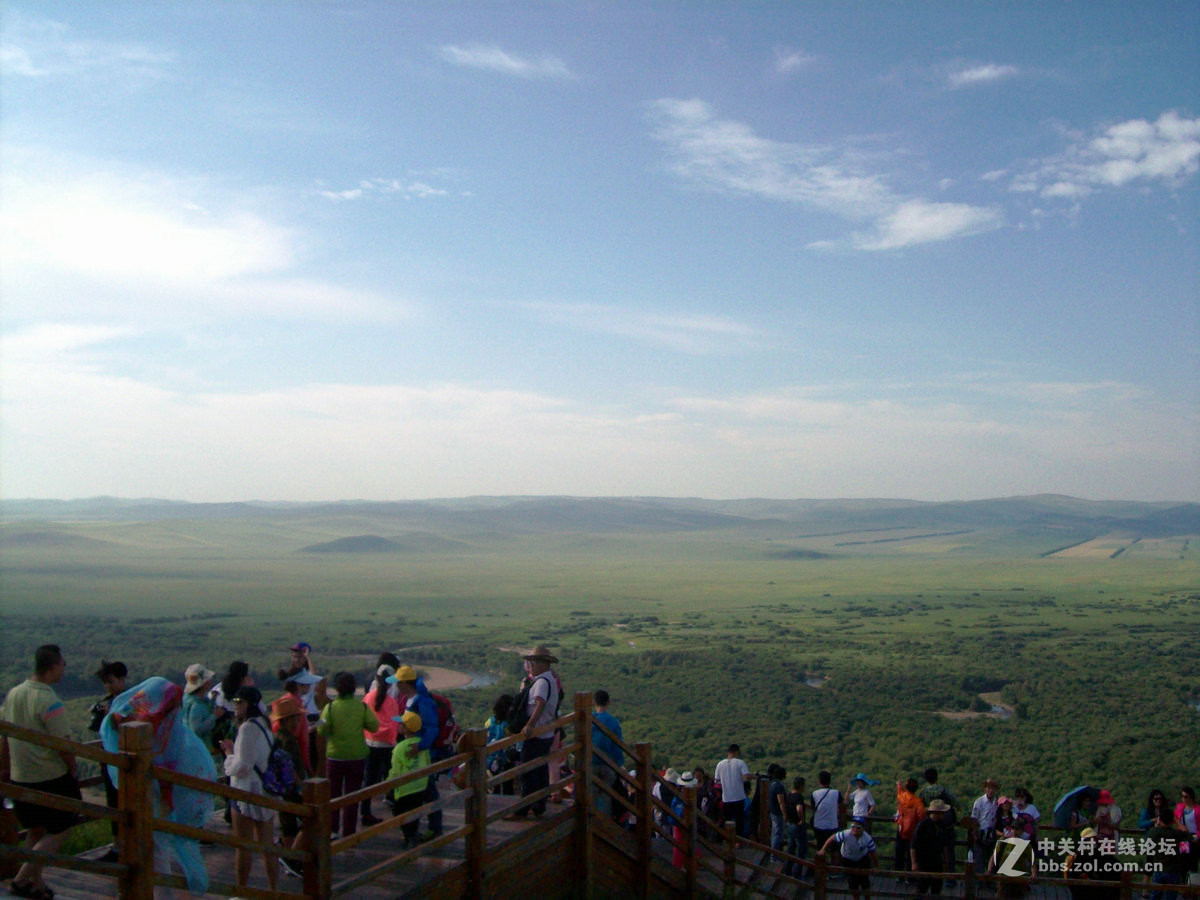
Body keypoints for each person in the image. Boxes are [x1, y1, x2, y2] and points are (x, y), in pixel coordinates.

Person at [0, 645, 80, 900]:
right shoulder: (48, 700)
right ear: (53, 667)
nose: (64, 669)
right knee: (62, 829)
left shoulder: (14, 694)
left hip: (20, 776)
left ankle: (36, 885)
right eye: (63, 665)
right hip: (49, 777)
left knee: (35, 831)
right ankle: (20, 880)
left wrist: (5, 767)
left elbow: (5, 734)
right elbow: (63, 743)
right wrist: (73, 769)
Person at [219, 684, 278, 896]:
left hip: (246, 791)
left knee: (243, 846)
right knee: (268, 846)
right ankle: (274, 892)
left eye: (239, 702)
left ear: (248, 704)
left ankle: (241, 892)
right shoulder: (264, 724)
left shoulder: (246, 728)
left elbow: (243, 765)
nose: (236, 705)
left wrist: (228, 754)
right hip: (265, 791)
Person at [316, 671, 378, 839]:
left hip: (335, 757)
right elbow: (374, 726)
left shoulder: (330, 708)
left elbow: (321, 729)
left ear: (337, 689)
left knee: (333, 795)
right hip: (357, 757)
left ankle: (333, 830)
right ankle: (349, 833)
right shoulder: (362, 707)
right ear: (354, 688)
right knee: (352, 796)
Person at [503, 646, 561, 821]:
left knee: (528, 773)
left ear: (542, 663)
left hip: (537, 734)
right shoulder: (550, 679)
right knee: (540, 770)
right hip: (546, 733)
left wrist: (529, 725)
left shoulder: (542, 682)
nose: (531, 666)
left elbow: (540, 704)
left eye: (533, 662)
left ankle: (522, 810)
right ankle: (538, 806)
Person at [390, 664, 446, 835]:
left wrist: (420, 746)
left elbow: (432, 728)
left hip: (422, 754)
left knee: (429, 791)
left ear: (404, 684)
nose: (396, 686)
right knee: (422, 790)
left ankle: (434, 829)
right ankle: (422, 828)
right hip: (414, 752)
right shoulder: (410, 699)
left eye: (398, 683)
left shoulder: (423, 702)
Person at [89, 659, 127, 860]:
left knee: (126, 802)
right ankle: (117, 845)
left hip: (125, 760)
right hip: (109, 759)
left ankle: (127, 845)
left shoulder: (132, 701)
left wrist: (112, 718)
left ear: (122, 679)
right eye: (105, 682)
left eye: (111, 681)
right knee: (113, 803)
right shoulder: (108, 702)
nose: (108, 686)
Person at [270, 692, 310, 879]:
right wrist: (301, 786)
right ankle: (292, 859)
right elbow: (290, 766)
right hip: (293, 789)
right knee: (311, 822)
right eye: (296, 717)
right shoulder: (289, 741)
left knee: (288, 825)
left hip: (281, 789)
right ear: (288, 720)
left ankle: (289, 859)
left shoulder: (277, 737)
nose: (298, 721)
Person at [361, 663, 401, 826]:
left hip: (370, 743)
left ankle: (365, 812)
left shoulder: (368, 697)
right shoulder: (392, 702)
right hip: (388, 744)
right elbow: (395, 723)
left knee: (369, 780)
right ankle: (396, 810)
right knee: (392, 778)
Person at [387, 711, 431, 848]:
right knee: (415, 812)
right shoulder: (422, 745)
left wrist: (387, 784)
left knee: (399, 812)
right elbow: (428, 763)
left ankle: (408, 837)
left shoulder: (399, 748)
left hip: (404, 787)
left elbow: (395, 770)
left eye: (401, 724)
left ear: (406, 729)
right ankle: (413, 834)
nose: (398, 726)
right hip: (420, 785)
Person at [818, 816, 878, 900]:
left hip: (862, 858)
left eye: (858, 827)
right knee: (853, 882)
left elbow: (873, 852)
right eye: (852, 826)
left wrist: (876, 866)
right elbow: (832, 838)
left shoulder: (867, 838)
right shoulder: (846, 834)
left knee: (865, 882)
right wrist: (823, 849)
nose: (854, 829)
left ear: (863, 829)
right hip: (848, 859)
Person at [911, 798, 954, 895]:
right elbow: (913, 845)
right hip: (924, 862)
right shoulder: (923, 825)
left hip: (937, 862)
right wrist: (914, 863)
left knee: (936, 888)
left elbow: (944, 844)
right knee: (922, 888)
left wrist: (946, 860)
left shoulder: (942, 825)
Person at [591, 690, 624, 818]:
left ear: (594, 702)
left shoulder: (589, 720)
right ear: (608, 702)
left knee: (591, 794)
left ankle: (591, 821)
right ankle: (604, 822)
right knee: (606, 795)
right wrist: (618, 764)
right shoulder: (613, 722)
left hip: (591, 762)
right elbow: (617, 745)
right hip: (608, 763)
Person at [1146, 805, 1189, 900]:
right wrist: (1177, 821)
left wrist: (1157, 824)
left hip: (1158, 869)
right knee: (1171, 896)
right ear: (1171, 821)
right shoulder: (1175, 833)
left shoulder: (1152, 832)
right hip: (1173, 870)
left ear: (1160, 819)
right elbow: (1187, 833)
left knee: (1155, 896)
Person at [182, 663, 227, 749]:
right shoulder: (196, 705)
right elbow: (196, 730)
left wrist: (212, 701)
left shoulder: (188, 700)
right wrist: (214, 716)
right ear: (204, 683)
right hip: (198, 748)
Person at [714, 744, 751, 837]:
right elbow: (747, 776)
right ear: (737, 752)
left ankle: (727, 839)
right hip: (739, 797)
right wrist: (755, 776)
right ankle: (738, 840)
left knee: (727, 820)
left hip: (726, 797)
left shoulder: (720, 764)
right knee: (739, 821)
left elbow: (717, 780)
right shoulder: (740, 763)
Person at [486, 693, 517, 795]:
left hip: (491, 758)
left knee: (494, 786)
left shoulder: (489, 722)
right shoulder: (509, 726)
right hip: (507, 759)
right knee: (508, 785)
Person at [895, 777, 926, 874]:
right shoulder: (918, 802)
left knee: (899, 852)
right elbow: (922, 816)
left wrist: (899, 785)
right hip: (912, 830)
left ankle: (898, 874)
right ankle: (909, 876)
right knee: (911, 853)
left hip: (901, 828)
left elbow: (900, 792)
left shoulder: (902, 797)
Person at [971, 778, 1000, 873]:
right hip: (981, 832)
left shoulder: (997, 802)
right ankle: (979, 880)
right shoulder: (979, 802)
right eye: (989, 788)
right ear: (985, 789)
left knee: (992, 860)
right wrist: (975, 833)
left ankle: (991, 879)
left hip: (992, 833)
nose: (991, 790)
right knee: (979, 860)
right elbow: (974, 818)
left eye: (993, 788)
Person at [812, 770, 845, 852]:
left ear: (819, 781)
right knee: (835, 850)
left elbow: (813, 808)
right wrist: (841, 819)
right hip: (833, 825)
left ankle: (820, 859)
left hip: (818, 825)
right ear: (830, 781)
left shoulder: (814, 794)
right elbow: (842, 807)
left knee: (820, 849)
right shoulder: (836, 793)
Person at [784, 776, 809, 879]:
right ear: (801, 786)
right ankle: (797, 873)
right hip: (797, 826)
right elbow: (799, 808)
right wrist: (802, 820)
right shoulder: (798, 797)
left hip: (790, 824)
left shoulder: (789, 795)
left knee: (791, 848)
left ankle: (787, 870)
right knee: (801, 850)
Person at [1175, 786, 1199, 874]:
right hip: (1183, 838)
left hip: (1194, 838)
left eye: (1186, 796)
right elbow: (1174, 818)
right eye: (1182, 796)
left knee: (1193, 863)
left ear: (1191, 797)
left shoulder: (1197, 810)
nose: (1183, 799)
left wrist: (1197, 836)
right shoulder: (1180, 808)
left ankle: (1192, 881)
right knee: (1183, 863)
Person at [768, 764, 788, 856]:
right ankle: (774, 855)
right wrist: (785, 814)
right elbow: (781, 802)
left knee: (774, 833)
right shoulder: (779, 786)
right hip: (778, 813)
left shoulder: (772, 784)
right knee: (778, 834)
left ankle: (773, 854)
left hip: (772, 811)